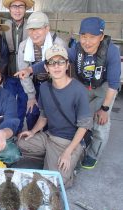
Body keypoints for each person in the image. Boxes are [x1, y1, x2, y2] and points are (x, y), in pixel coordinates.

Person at [16, 17, 121, 169]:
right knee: (81, 116)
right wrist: (29, 69)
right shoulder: (77, 49)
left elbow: (113, 84)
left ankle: (91, 154)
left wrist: (104, 109)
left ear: (102, 36)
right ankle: (71, 144)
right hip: (84, 85)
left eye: (92, 37)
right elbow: (53, 60)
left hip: (103, 88)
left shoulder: (111, 51)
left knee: (99, 123)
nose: (87, 41)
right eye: (84, 36)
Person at [17, 44, 92, 188]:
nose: (56, 66)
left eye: (61, 62)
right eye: (52, 62)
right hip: (49, 136)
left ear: (67, 65)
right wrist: (32, 132)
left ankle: (69, 164)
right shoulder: (45, 88)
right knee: (21, 142)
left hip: (69, 142)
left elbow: (84, 126)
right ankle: (51, 158)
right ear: (46, 67)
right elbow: (44, 116)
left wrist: (67, 152)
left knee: (56, 183)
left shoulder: (79, 90)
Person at [18, 11, 67, 129]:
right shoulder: (24, 46)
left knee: (52, 114)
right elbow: (23, 72)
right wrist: (31, 96)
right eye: (30, 29)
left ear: (47, 28)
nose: (34, 33)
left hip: (53, 85)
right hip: (34, 83)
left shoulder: (58, 44)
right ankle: (33, 141)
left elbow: (63, 72)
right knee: (31, 112)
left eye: (38, 28)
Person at [2, 0, 35, 132]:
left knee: (24, 103)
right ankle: (9, 131)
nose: (17, 10)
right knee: (8, 104)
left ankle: (20, 131)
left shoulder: (30, 26)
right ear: (9, 9)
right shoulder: (4, 26)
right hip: (9, 74)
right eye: (14, 6)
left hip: (26, 74)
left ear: (25, 9)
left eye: (20, 6)